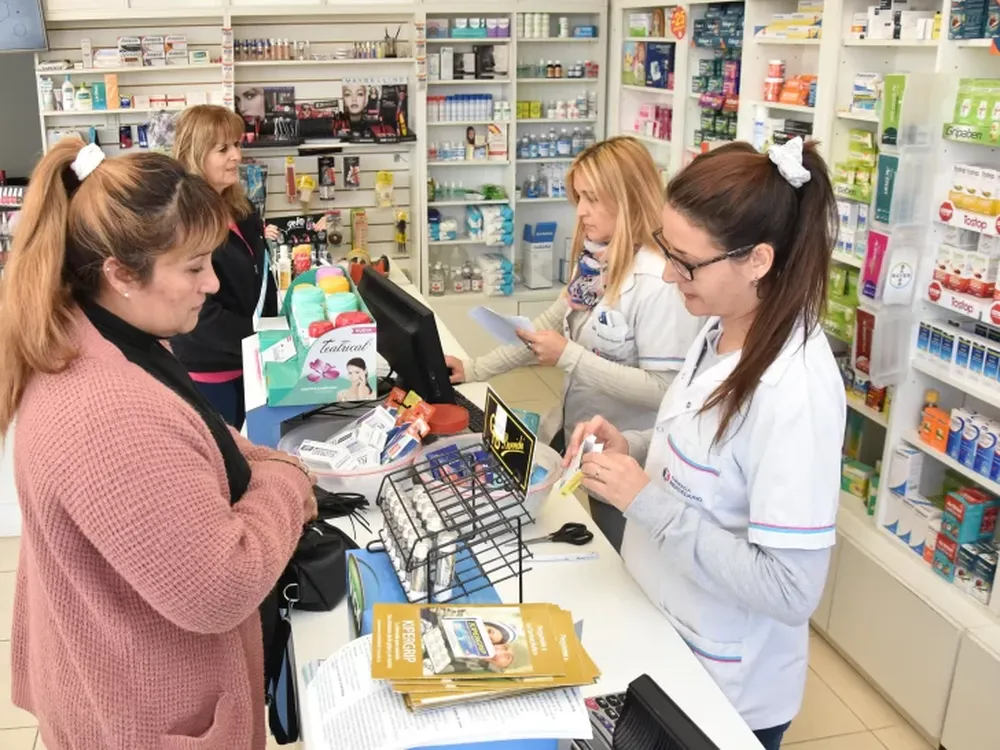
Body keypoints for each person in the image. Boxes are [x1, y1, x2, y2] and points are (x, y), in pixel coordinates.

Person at [0, 138, 317, 749]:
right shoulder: (108, 413)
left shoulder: (103, 335)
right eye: (193, 266)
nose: (212, 281)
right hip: (144, 708)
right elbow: (220, 587)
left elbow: (199, 434)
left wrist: (269, 464)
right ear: (120, 273)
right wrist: (289, 482)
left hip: (108, 666)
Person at [564, 137, 844, 750]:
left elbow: (790, 590)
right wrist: (633, 445)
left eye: (685, 262)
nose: (668, 274)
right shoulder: (723, 325)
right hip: (660, 634)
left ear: (757, 261)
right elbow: (700, 453)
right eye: (667, 250)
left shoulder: (794, 389)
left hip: (723, 681)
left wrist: (646, 504)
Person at [447, 136, 703, 551]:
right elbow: (549, 326)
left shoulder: (657, 285)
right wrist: (474, 369)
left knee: (619, 558)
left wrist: (571, 358)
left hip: (629, 456)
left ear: (628, 199)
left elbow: (665, 389)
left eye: (592, 198)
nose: (580, 211)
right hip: (577, 434)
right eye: (578, 197)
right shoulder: (596, 263)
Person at [170, 104, 281, 428]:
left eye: (236, 145)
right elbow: (202, 313)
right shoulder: (184, 222)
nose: (236, 156)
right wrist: (263, 340)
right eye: (223, 149)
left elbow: (256, 277)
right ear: (195, 154)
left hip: (250, 361)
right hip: (212, 369)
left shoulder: (239, 208)